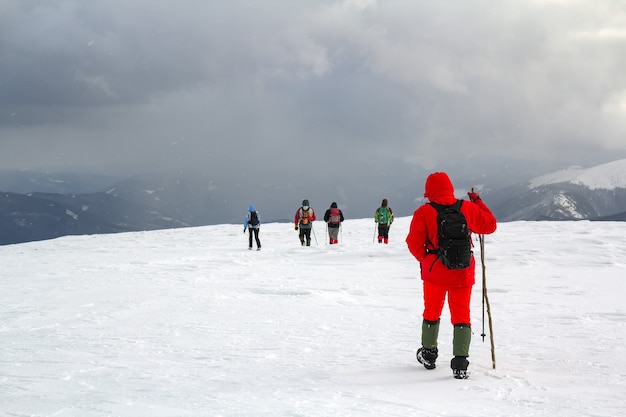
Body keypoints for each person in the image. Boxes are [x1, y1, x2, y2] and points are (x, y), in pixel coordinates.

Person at [406, 172, 496, 379]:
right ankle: (460, 363)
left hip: (434, 273)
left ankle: (429, 354)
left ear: (429, 190)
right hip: (463, 272)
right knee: (461, 315)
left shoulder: (424, 212)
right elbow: (490, 225)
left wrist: (426, 259)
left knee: (431, 311)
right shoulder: (467, 208)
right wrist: (478, 202)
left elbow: (413, 243)